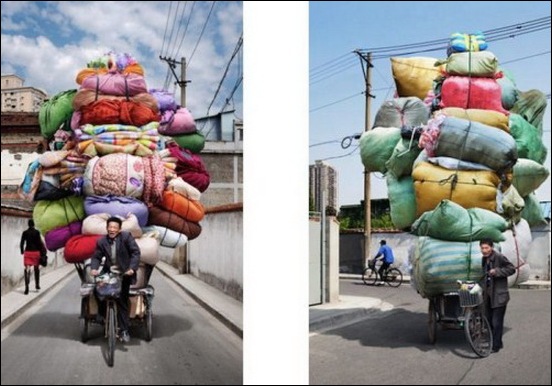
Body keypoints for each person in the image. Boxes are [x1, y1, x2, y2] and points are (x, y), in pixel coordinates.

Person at [90, 216, 140, 343]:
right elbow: (96, 257)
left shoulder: (126, 237)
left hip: (124, 273)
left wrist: (132, 268)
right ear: (107, 228)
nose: (112, 229)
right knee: (97, 289)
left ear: (119, 229)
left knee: (122, 300)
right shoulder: (102, 241)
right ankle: (101, 314)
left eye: (115, 227)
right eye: (110, 227)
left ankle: (124, 330)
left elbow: (135, 253)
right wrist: (94, 268)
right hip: (109, 272)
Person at [479, 238, 515, 353]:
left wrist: (498, 271)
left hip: (499, 295)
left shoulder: (499, 257)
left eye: (486, 248)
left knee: (496, 321)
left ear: (491, 247)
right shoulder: (484, 259)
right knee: (488, 320)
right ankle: (495, 342)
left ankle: (496, 346)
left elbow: (511, 269)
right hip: (488, 295)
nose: (484, 250)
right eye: (482, 248)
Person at [20, 219, 45, 295]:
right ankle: (37, 285)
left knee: (27, 269)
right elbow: (40, 243)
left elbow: (22, 243)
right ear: (34, 224)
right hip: (35, 252)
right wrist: (42, 253)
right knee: (36, 268)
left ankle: (26, 286)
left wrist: (22, 251)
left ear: (28, 224)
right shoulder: (37, 232)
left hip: (28, 252)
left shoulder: (25, 233)